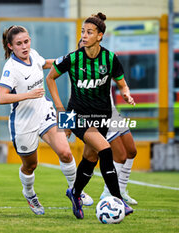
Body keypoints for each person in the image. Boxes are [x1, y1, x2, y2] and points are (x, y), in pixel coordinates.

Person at [46, 12, 135, 219]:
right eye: (82, 32)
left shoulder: (110, 58)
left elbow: (121, 83)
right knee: (105, 150)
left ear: (100, 35)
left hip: (102, 115)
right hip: (75, 114)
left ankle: (75, 192)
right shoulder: (73, 58)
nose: (84, 36)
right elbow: (50, 78)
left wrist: (126, 93)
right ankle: (118, 199)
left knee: (90, 157)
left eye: (89, 32)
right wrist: (60, 109)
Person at [0, 25, 92, 216]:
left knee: (65, 152)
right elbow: (0, 98)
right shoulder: (11, 68)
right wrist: (28, 94)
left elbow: (46, 63)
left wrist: (69, 60)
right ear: (10, 46)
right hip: (23, 122)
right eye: (19, 44)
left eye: (26, 41)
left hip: (44, 111)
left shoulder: (33, 54)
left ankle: (76, 191)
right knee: (30, 165)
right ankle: (29, 193)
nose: (24, 46)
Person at [77, 38, 138, 205]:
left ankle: (122, 190)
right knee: (119, 155)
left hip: (112, 112)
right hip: (97, 116)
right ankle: (107, 193)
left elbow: (120, 81)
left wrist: (126, 93)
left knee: (132, 151)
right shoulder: (78, 71)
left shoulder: (105, 61)